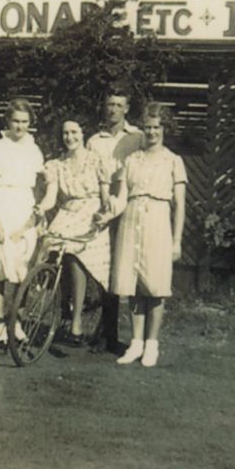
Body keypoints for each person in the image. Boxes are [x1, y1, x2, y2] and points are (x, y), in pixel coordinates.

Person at [107, 102, 187, 368]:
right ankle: (136, 342)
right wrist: (107, 212)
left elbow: (180, 205)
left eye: (156, 127)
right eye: (148, 127)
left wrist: (177, 240)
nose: (151, 132)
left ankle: (152, 344)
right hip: (131, 220)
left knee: (155, 286)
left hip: (157, 221)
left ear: (164, 129)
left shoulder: (173, 161)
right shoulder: (131, 160)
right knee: (133, 286)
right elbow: (120, 199)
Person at [33, 118, 111, 346]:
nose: (70, 137)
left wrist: (104, 211)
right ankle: (41, 298)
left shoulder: (97, 160)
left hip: (91, 212)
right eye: (66, 133)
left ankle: (76, 321)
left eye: (74, 132)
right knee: (48, 243)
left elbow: (105, 195)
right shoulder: (56, 165)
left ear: (83, 133)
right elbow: (51, 197)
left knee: (75, 256)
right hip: (68, 212)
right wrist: (41, 207)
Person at [0, 98, 45, 346]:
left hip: (25, 208)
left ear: (30, 123)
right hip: (2, 206)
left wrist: (39, 215)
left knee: (22, 268)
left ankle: (16, 321)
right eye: (16, 121)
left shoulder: (34, 149)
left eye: (25, 122)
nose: (20, 126)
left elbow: (40, 184)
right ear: (8, 121)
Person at [85, 90, 144, 353]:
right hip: (99, 208)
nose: (113, 109)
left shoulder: (137, 137)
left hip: (127, 209)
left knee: (123, 271)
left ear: (127, 108)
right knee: (101, 269)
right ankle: (105, 332)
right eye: (109, 104)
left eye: (119, 105)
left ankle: (126, 336)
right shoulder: (93, 141)